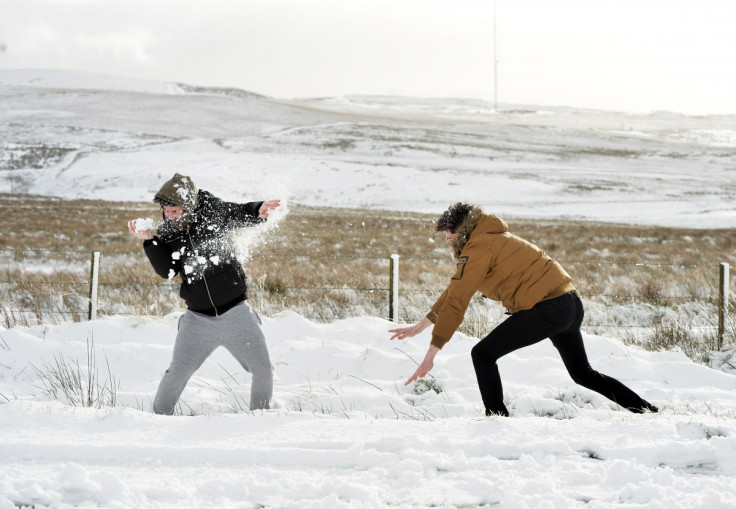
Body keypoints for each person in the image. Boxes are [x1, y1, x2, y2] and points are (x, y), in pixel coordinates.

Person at [389, 202, 658, 417]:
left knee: (482, 354)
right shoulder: (491, 237)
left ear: (464, 229)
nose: (447, 239)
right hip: (569, 304)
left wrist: (433, 350)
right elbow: (453, 291)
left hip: (548, 309)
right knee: (582, 374)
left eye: (451, 233)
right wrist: (420, 326)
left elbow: (458, 298)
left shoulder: (478, 246)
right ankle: (645, 410)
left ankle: (496, 419)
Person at [128, 173, 281, 415]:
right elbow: (167, 271)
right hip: (197, 320)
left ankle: (260, 417)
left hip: (237, 313)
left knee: (263, 369)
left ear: (189, 206)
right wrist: (150, 241)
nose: (169, 215)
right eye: (166, 210)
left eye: (175, 210)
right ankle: (156, 420)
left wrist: (258, 210)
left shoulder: (213, 211)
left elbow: (239, 212)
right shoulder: (168, 232)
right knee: (176, 374)